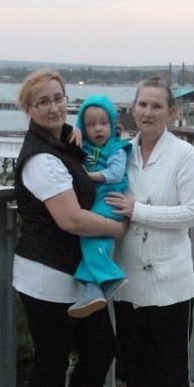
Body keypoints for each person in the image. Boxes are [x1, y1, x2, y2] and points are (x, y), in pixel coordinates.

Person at [12, 69, 127, 387]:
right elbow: (71, 219)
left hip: (75, 274)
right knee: (52, 357)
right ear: (28, 109)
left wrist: (72, 134)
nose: (53, 107)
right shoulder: (41, 160)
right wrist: (116, 228)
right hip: (44, 273)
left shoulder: (62, 141)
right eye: (42, 102)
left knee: (100, 347)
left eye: (58, 98)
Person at [105, 76, 194, 387]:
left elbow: (193, 213)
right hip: (129, 274)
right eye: (142, 105)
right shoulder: (122, 153)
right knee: (134, 362)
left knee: (171, 362)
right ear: (133, 109)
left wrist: (139, 210)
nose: (148, 113)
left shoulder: (183, 154)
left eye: (157, 106)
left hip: (170, 278)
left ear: (171, 112)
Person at [68, 95, 132, 319]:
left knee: (89, 235)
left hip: (111, 198)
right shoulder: (85, 147)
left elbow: (115, 174)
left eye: (104, 123)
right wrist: (73, 131)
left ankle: (111, 277)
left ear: (112, 124)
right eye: (90, 125)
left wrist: (85, 176)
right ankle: (93, 288)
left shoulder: (117, 147)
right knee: (97, 241)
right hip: (97, 199)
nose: (98, 129)